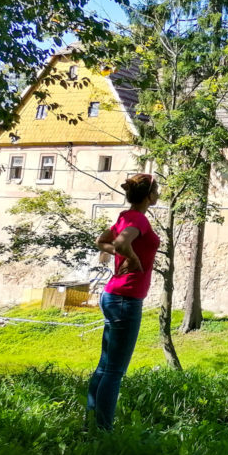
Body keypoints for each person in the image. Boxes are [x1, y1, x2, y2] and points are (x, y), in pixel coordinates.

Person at [86, 173, 160, 431]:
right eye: (156, 190)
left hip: (113, 295)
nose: (158, 194)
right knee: (114, 371)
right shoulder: (138, 219)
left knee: (105, 366)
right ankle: (103, 431)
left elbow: (102, 242)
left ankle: (91, 424)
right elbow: (119, 242)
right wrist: (133, 258)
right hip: (126, 300)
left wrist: (125, 253)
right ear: (149, 196)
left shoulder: (125, 217)